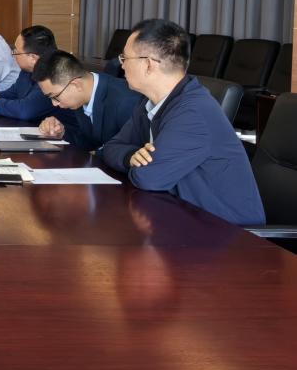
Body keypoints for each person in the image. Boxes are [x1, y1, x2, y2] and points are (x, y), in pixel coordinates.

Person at [102, 19, 265, 226]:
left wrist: (140, 163)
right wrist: (130, 156)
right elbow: (111, 148)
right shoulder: (151, 103)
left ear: (149, 64)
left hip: (227, 233)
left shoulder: (193, 112)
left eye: (125, 58)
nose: (122, 65)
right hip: (181, 218)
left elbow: (148, 177)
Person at [32, 50, 143, 152]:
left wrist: (99, 153)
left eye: (55, 96)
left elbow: (132, 151)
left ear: (76, 85)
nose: (54, 103)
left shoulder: (126, 101)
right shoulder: (81, 97)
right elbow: (88, 142)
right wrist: (61, 133)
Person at [0, 25, 64, 121]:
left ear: (33, 58)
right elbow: (13, 93)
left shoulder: (54, 76)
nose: (14, 56)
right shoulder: (27, 71)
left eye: (16, 52)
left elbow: (25, 110)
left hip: (63, 131)